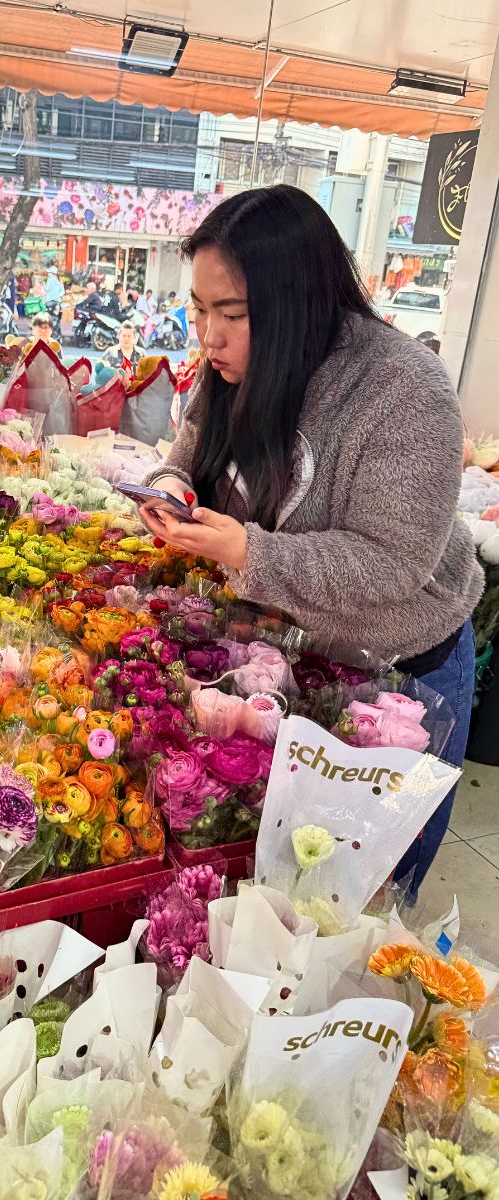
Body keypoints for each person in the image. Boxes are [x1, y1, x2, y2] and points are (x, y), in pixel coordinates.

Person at [140, 184, 482, 902]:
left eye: (231, 314)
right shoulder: (234, 369)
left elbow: (392, 563)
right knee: (265, 886)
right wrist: (170, 485)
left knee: (359, 898)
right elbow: (191, 446)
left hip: (399, 680)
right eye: (199, 310)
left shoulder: (401, 391)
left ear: (300, 301)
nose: (209, 337)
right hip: (289, 657)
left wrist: (247, 553)